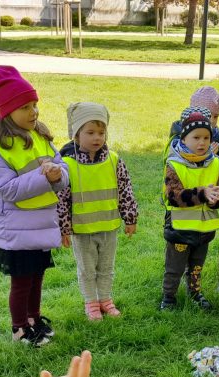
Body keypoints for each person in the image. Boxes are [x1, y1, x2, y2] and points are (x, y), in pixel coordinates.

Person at [0, 65, 68, 346]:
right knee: (21, 281)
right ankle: (19, 328)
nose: (33, 112)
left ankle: (34, 319)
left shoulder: (41, 136)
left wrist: (58, 175)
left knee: (37, 276)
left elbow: (63, 169)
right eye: (25, 107)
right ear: (7, 111)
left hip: (41, 223)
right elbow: (7, 189)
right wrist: (44, 176)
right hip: (16, 227)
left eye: (35, 105)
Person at [58, 102, 138, 320]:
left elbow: (125, 190)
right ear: (76, 135)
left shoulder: (114, 161)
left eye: (101, 132)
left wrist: (130, 218)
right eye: (90, 132)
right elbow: (62, 200)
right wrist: (64, 228)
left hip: (108, 227)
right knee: (87, 269)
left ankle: (105, 299)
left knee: (106, 267)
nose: (97, 138)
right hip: (82, 230)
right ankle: (91, 302)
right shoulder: (66, 165)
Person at [160, 107, 219, 310]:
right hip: (180, 228)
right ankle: (169, 297)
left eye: (206, 138)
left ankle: (195, 292)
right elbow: (173, 196)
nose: (202, 142)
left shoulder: (215, 163)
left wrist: (216, 199)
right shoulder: (174, 164)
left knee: (197, 265)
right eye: (196, 137)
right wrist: (202, 194)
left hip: (204, 229)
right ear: (184, 138)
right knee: (175, 267)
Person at [168, 86, 219, 156]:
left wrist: (216, 156)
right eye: (208, 115)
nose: (212, 121)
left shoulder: (216, 133)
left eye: (216, 116)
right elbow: (176, 158)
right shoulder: (180, 132)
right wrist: (207, 155)